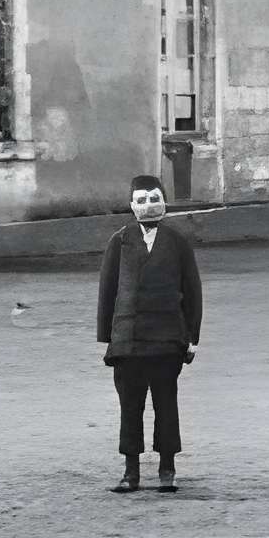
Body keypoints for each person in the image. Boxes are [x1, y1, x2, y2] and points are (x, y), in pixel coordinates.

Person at [96, 173, 203, 494]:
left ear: (165, 203)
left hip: (167, 340)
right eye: (141, 200)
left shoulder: (178, 242)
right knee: (130, 407)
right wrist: (108, 339)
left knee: (166, 404)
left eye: (154, 198)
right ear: (131, 206)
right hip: (128, 341)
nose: (149, 206)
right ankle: (131, 472)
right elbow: (108, 291)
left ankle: (167, 469)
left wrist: (192, 338)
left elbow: (192, 292)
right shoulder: (120, 241)